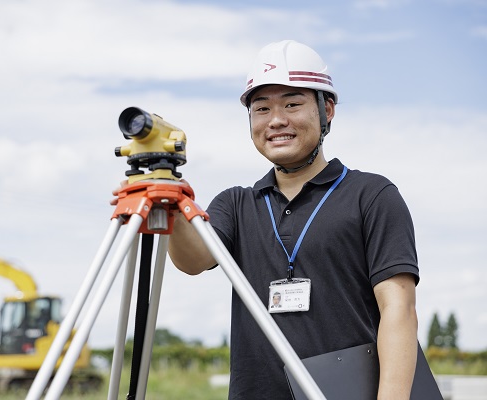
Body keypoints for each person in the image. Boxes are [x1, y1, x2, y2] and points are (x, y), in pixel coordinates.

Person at [113, 40, 419, 399]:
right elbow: (193, 261)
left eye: (292, 104)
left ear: (328, 110)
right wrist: (172, 202)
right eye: (262, 109)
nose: (276, 120)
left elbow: (398, 308)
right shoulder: (237, 203)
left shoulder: (371, 195)